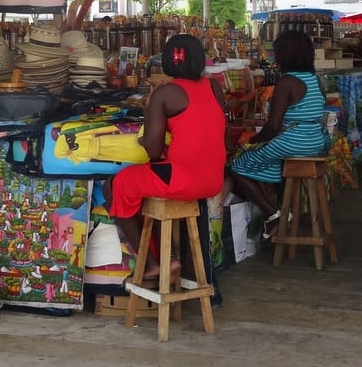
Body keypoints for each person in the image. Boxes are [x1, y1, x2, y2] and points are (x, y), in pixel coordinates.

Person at [105, 34, 226, 278]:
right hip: (214, 180)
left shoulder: (167, 92)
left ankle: (151, 263)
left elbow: (152, 148)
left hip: (182, 180)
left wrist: (142, 134)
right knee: (148, 183)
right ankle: (167, 256)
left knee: (116, 185)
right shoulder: (213, 87)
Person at [229, 30, 326, 239]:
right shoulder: (314, 80)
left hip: (294, 142)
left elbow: (273, 126)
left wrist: (251, 140)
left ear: (285, 55)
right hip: (314, 141)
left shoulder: (287, 82)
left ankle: (272, 214)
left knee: (237, 166)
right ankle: (287, 214)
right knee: (275, 163)